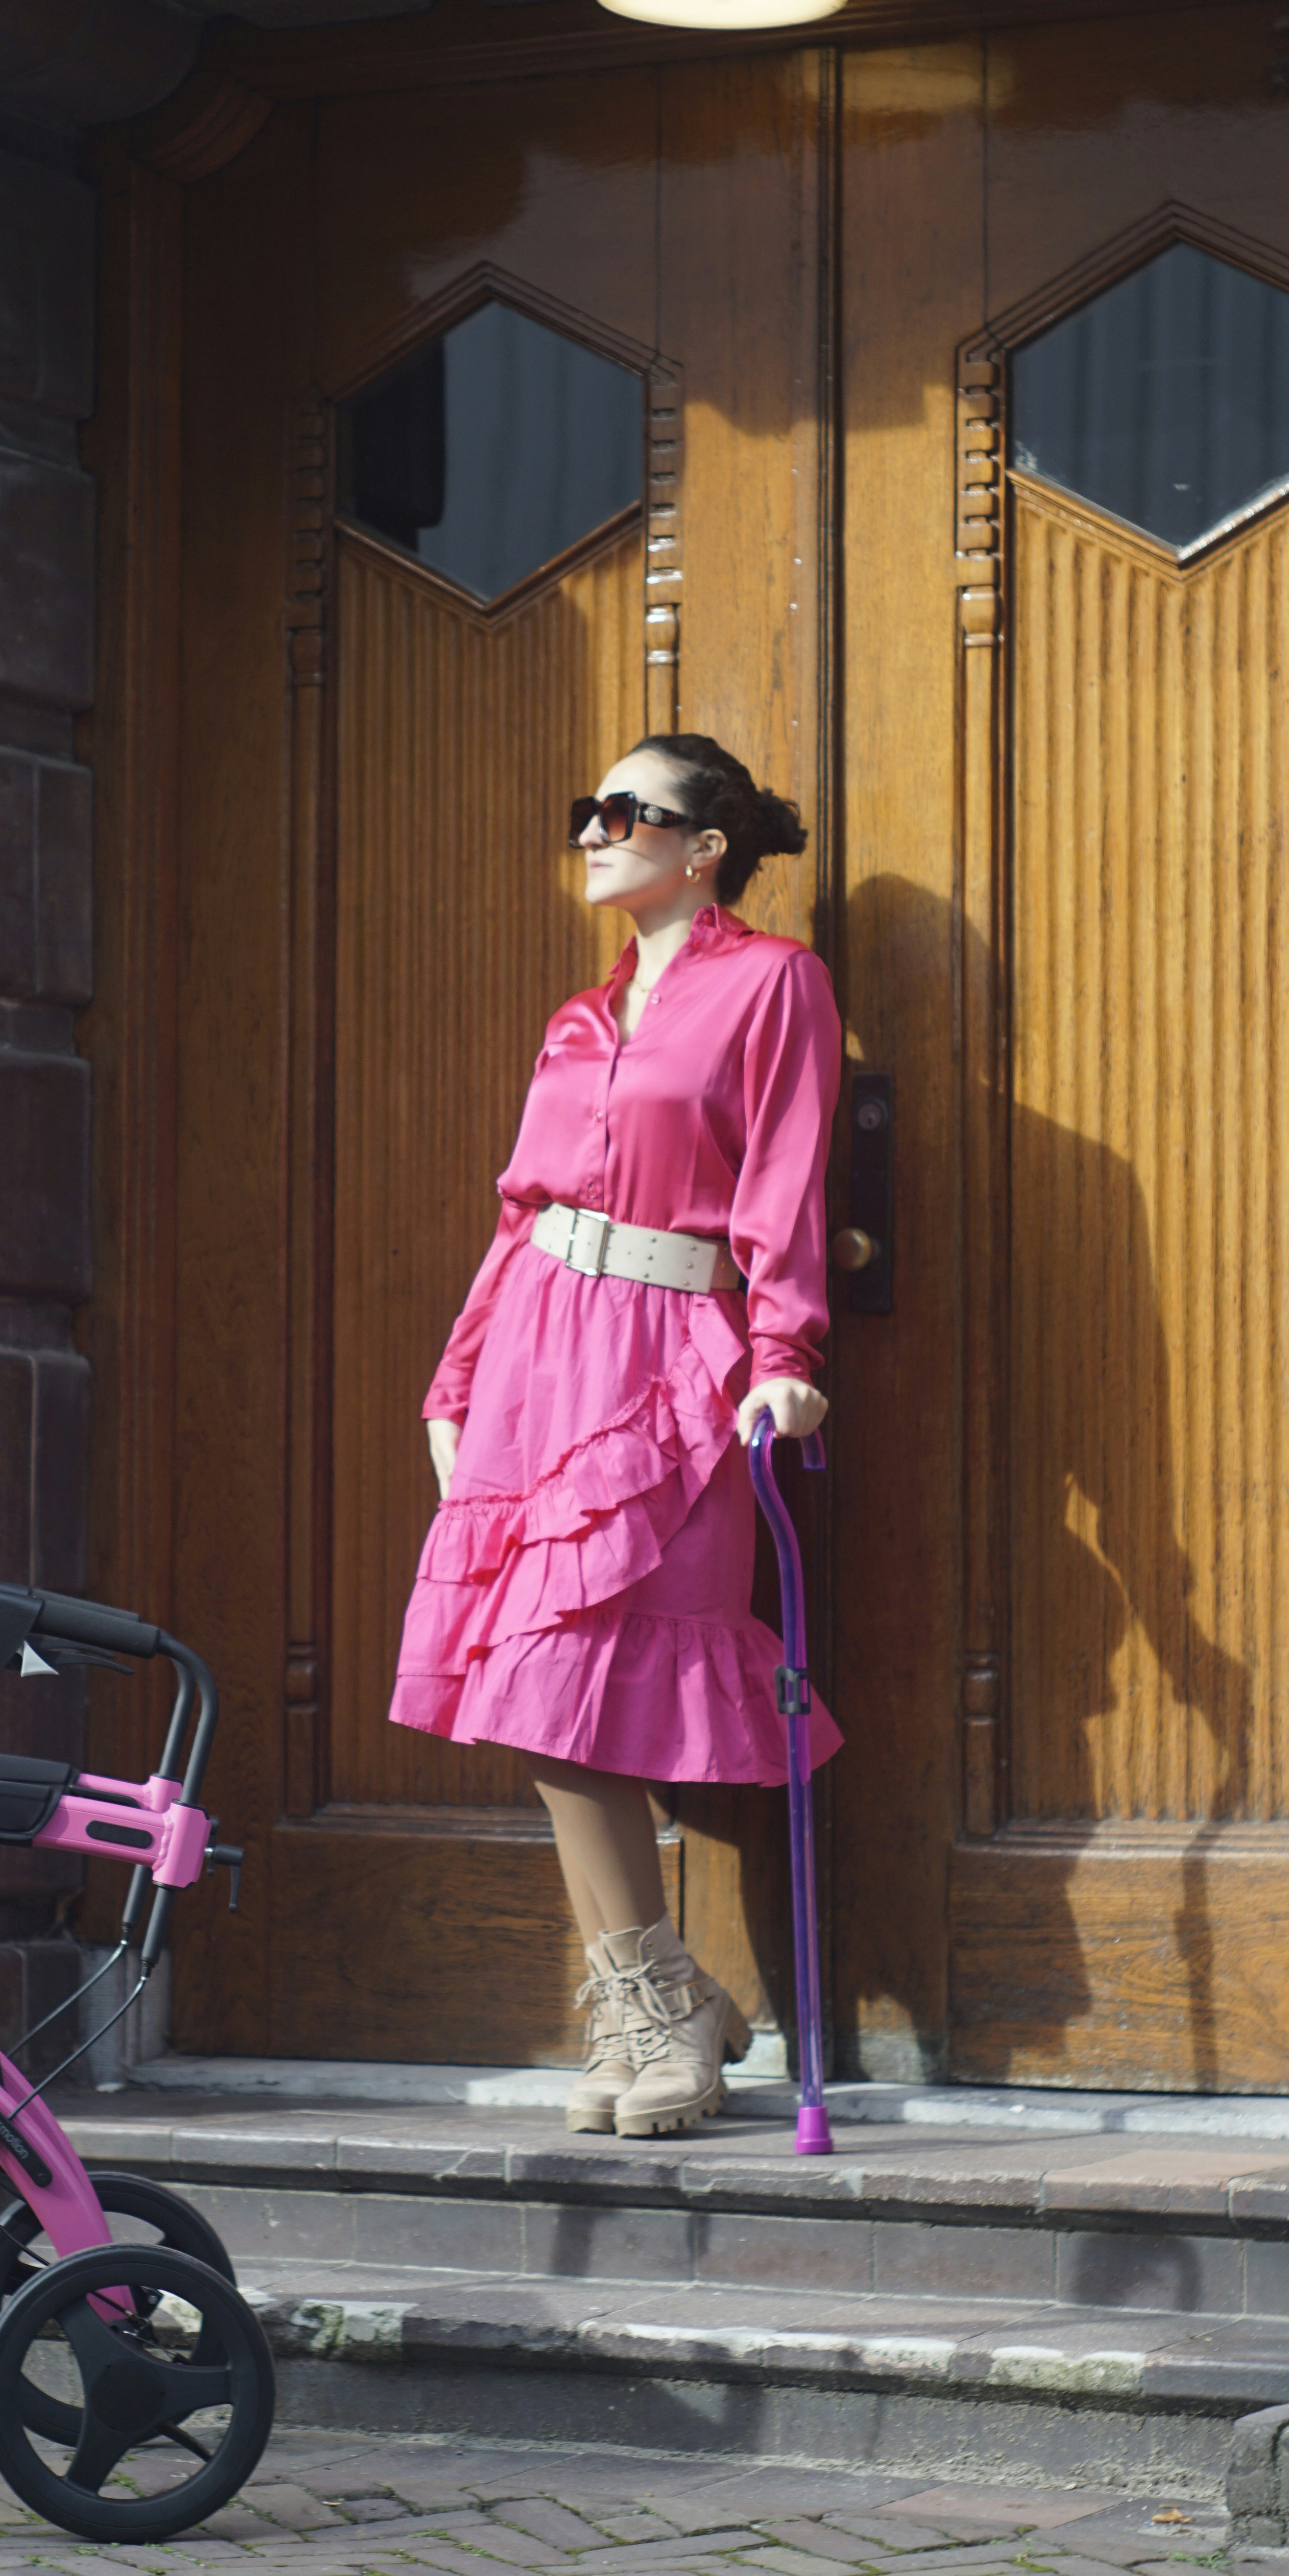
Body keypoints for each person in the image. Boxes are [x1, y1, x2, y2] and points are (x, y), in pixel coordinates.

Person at [390, 731, 843, 2137]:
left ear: (705, 850)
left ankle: (656, 2008)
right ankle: (655, 2002)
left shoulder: (775, 985)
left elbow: (786, 1184)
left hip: (669, 1366)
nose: (590, 832)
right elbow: (519, 1212)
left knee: (578, 1674)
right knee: (529, 1675)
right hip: (536, 1353)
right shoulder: (577, 1021)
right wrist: (456, 1383)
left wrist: (787, 1356)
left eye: (623, 813)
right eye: (585, 811)